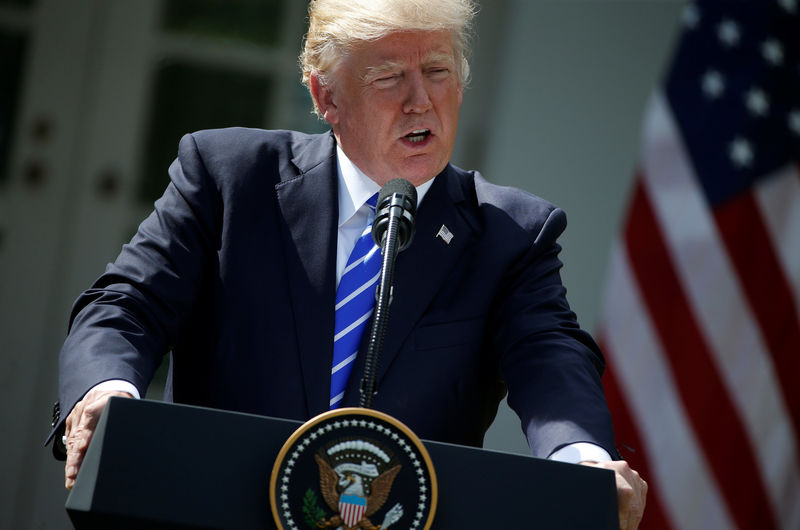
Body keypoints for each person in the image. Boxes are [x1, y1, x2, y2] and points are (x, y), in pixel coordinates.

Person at [48, 0, 646, 527]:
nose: (421, 101)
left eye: (438, 71)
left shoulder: (512, 235)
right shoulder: (230, 177)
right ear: (325, 96)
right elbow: (126, 305)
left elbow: (550, 358)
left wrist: (582, 461)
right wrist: (105, 390)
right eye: (390, 78)